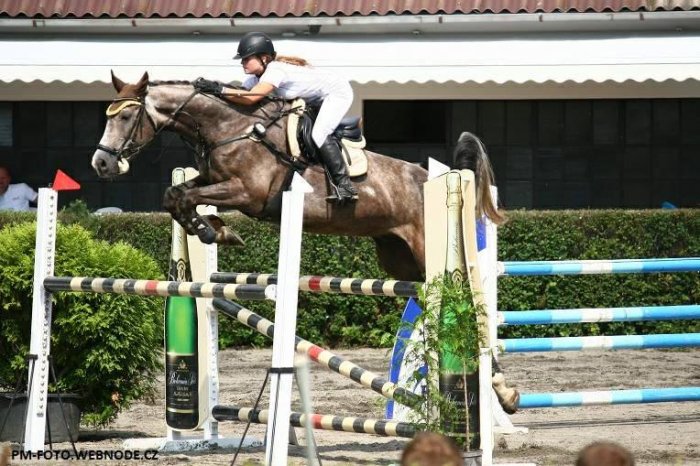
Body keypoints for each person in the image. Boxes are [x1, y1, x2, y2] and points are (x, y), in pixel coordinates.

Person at [194, 31, 359, 203]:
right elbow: (240, 97)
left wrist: (219, 89)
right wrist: (215, 88)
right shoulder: (255, 79)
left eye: (246, 58)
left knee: (319, 133)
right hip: (313, 99)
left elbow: (251, 98)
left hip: (336, 92)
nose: (242, 62)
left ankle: (345, 186)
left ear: (264, 58)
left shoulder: (275, 70)